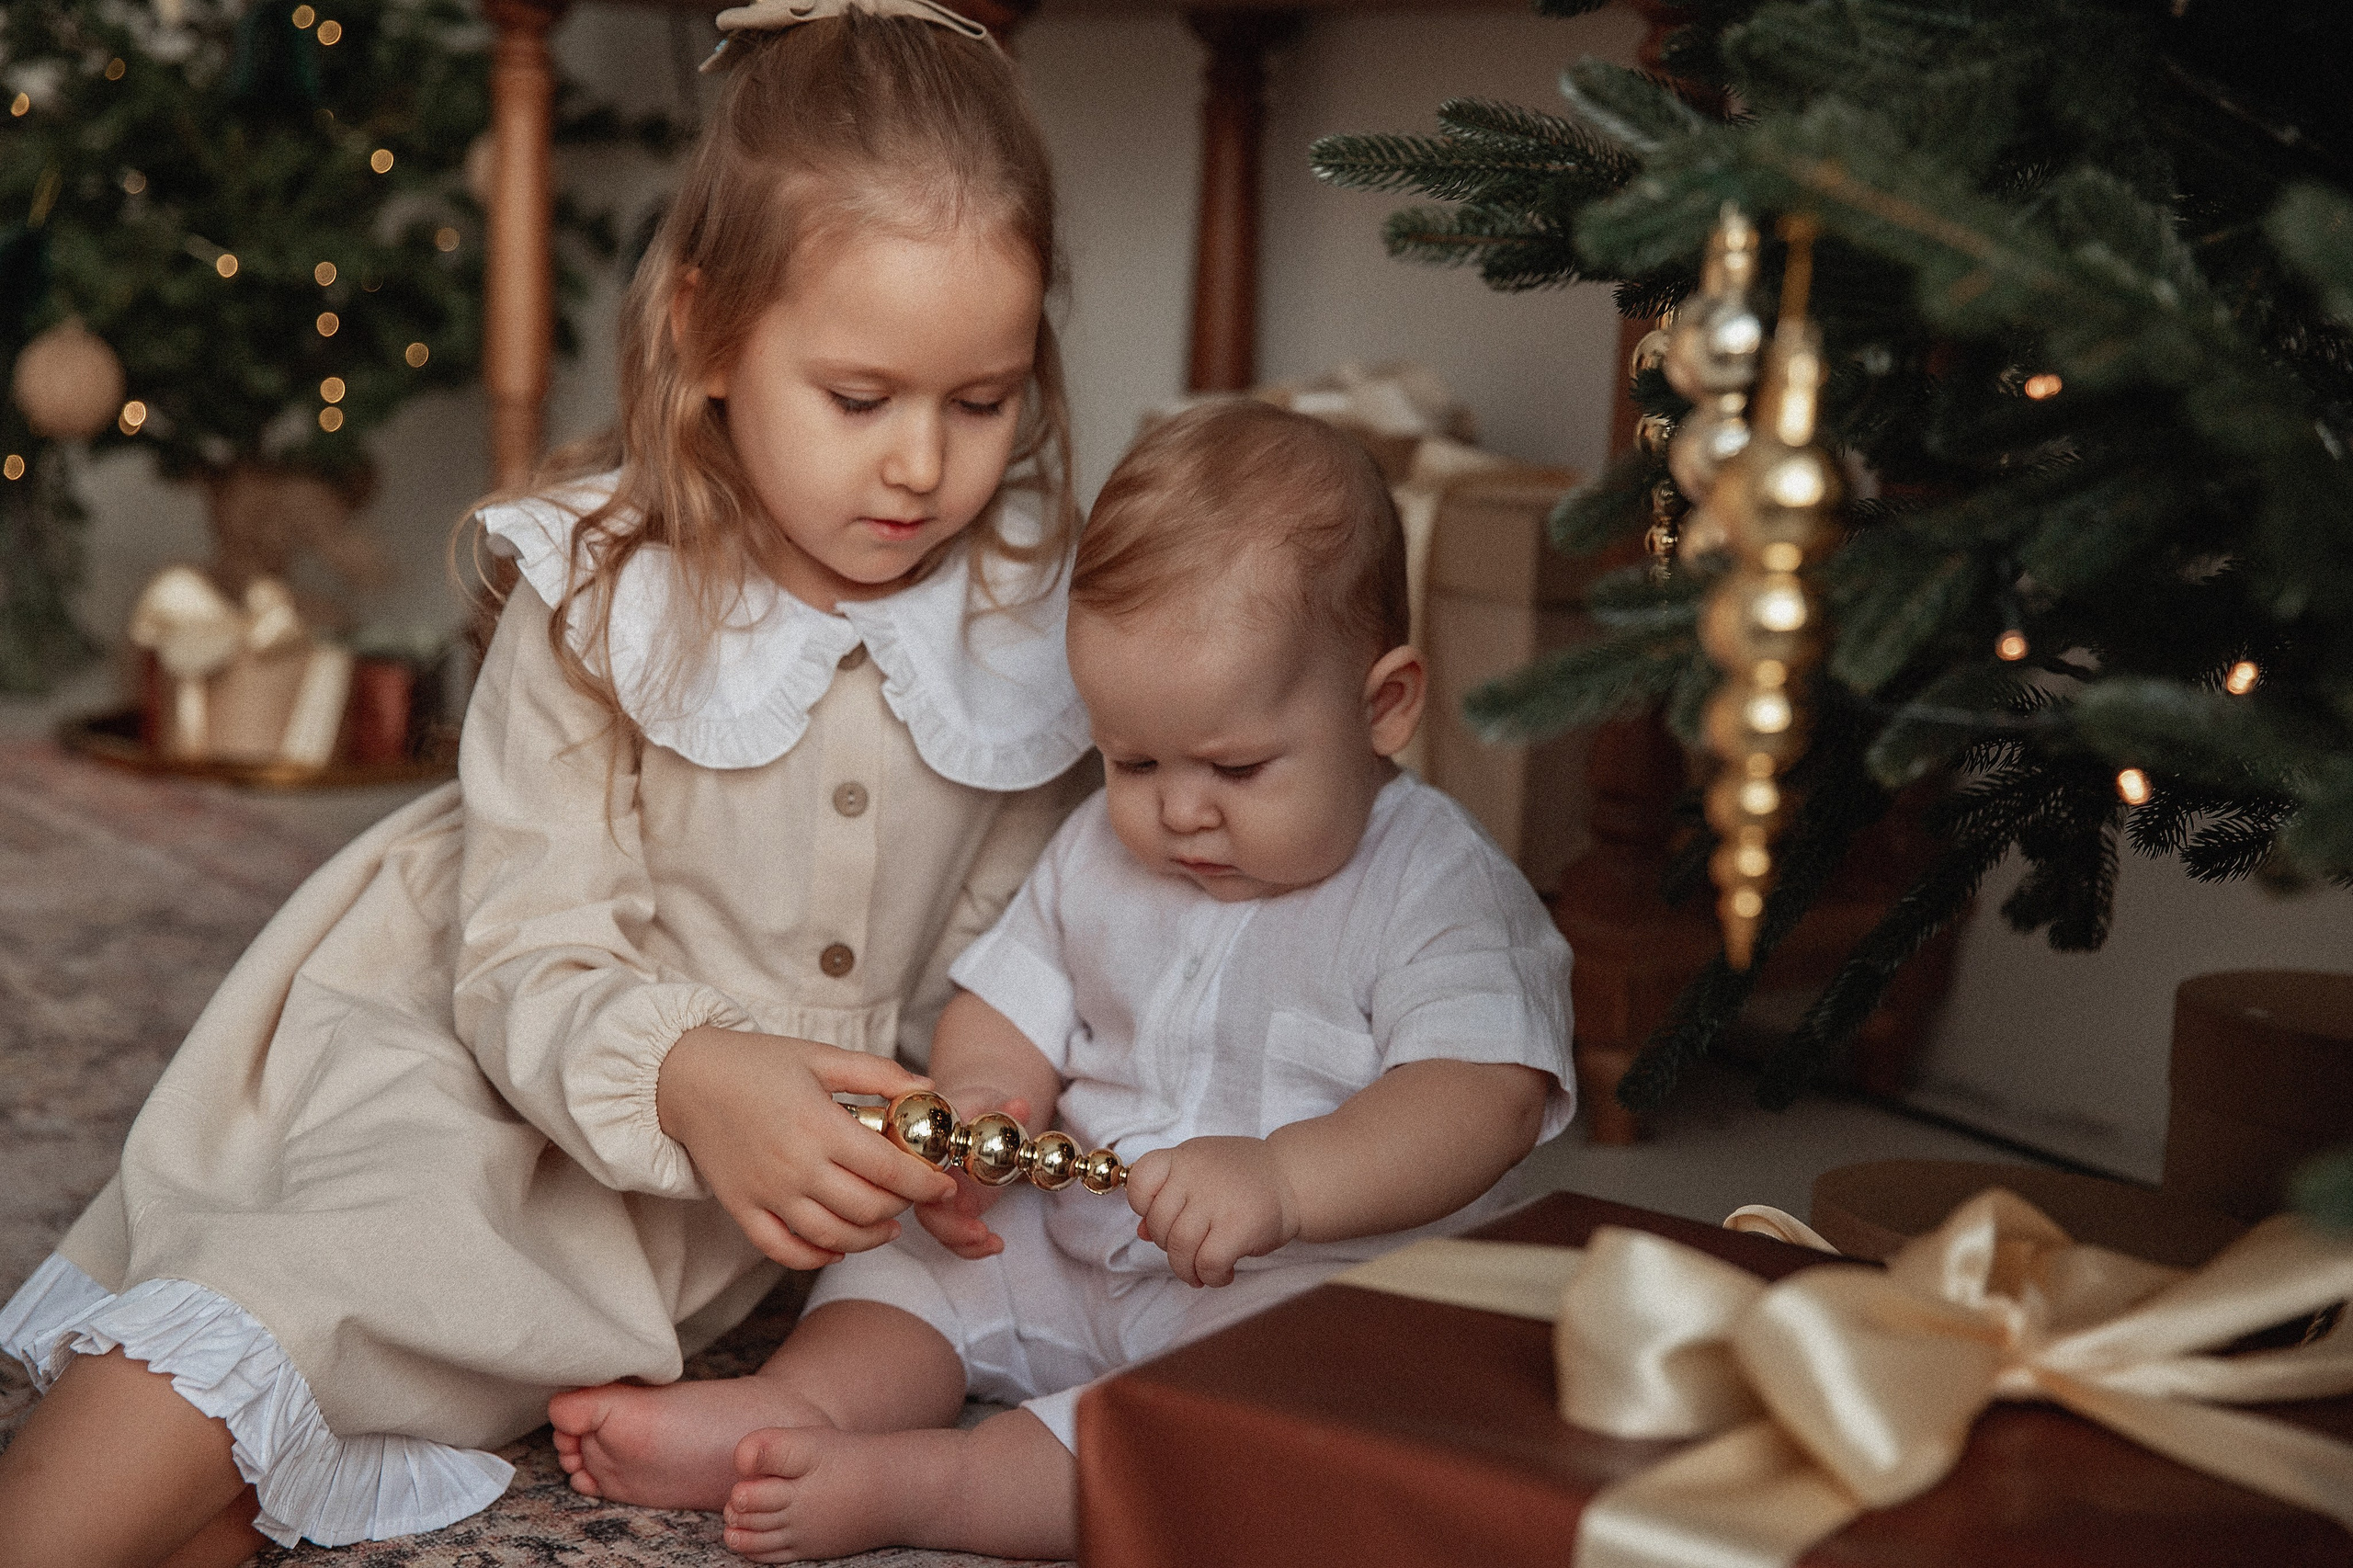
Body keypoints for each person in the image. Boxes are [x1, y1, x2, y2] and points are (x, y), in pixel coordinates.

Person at [0, 6, 1095, 1563]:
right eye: (861, 400)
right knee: (308, 1293)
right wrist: (697, 1073)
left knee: (284, 1456)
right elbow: (523, 948)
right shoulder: (607, 593)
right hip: (487, 1047)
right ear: (710, 334)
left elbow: (1014, 946)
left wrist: (976, 1095)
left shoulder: (1021, 632)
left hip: (681, 1214)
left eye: (981, 402)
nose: (923, 463)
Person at [550, 400, 1577, 1562]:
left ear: (1382, 705)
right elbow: (1011, 997)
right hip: (1071, 1238)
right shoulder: (1099, 847)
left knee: (1242, 1428)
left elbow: (1479, 1096)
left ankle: (942, 1487)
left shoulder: (1437, 884)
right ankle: (799, 1404)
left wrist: (1287, 1180)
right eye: (1132, 759)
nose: (1179, 809)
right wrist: (981, 1099)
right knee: (905, 1262)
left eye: (1237, 766)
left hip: (1304, 1280)